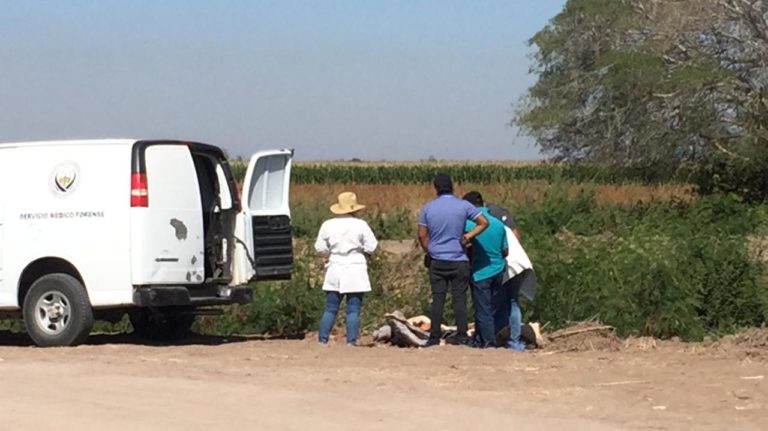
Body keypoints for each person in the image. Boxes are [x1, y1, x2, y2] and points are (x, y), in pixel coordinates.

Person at [418, 173, 489, 346]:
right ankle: (462, 335)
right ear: (452, 186)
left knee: (438, 298)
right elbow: (483, 222)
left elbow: (422, 234)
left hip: (437, 259)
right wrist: (468, 236)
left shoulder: (427, 208)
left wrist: (429, 250)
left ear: (435, 188)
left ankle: (434, 336)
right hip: (459, 258)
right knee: (459, 298)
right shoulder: (463, 205)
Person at [315, 192, 378, 346]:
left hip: (335, 265)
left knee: (330, 307)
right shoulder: (360, 225)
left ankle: (322, 339)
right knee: (353, 308)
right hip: (355, 266)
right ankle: (350, 342)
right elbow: (372, 246)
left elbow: (319, 247)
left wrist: (328, 254)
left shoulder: (328, 224)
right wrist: (364, 252)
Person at [462, 191, 508, 348]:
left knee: (483, 310)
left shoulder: (468, 224)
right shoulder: (499, 224)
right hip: (499, 270)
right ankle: (481, 338)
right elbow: (505, 251)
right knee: (493, 307)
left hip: (480, 272)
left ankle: (488, 342)